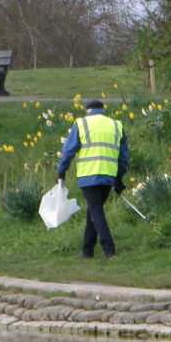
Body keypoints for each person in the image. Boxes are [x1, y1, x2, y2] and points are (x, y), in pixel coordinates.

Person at [57, 99, 129, 259]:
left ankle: (109, 250)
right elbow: (124, 157)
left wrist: (61, 171)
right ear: (103, 110)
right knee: (93, 210)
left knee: (96, 210)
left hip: (89, 174)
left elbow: (69, 150)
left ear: (87, 110)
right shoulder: (116, 125)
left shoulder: (82, 124)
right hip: (109, 175)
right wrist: (119, 177)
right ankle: (87, 251)